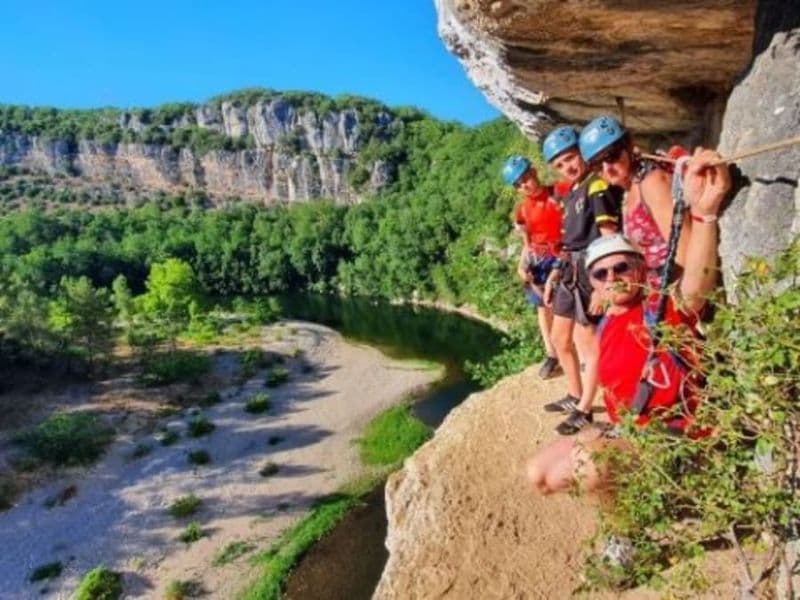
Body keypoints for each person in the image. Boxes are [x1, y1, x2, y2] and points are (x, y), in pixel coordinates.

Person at [526, 148, 731, 496]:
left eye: (622, 267)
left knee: (588, 465)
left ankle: (627, 533)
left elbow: (696, 283)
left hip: (672, 436)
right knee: (537, 474)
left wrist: (704, 213)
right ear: (593, 281)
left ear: (639, 268)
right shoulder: (606, 323)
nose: (613, 277)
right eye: (602, 273)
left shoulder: (660, 307)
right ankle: (630, 499)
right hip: (630, 431)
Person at [540, 126, 622, 435]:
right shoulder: (574, 190)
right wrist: (554, 274)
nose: (567, 168)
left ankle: (585, 409)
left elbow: (609, 238)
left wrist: (605, 285)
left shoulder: (596, 186)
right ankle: (574, 394)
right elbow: (569, 242)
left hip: (590, 271)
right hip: (570, 270)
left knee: (588, 346)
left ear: (583, 153)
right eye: (559, 165)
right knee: (561, 340)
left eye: (571, 159)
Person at [579, 116, 692, 288]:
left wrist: (674, 297)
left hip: (673, 287)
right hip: (652, 287)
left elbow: (685, 247)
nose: (606, 169)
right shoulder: (630, 189)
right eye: (596, 165)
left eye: (611, 156)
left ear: (629, 145)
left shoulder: (651, 182)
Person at [502, 155, 563, 379]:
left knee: (566, 306)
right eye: (518, 184)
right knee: (542, 308)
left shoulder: (559, 193)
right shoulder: (522, 211)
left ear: (534, 172)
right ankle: (552, 354)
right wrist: (522, 264)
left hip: (562, 255)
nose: (524, 186)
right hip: (538, 260)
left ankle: (573, 351)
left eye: (525, 178)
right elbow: (527, 244)